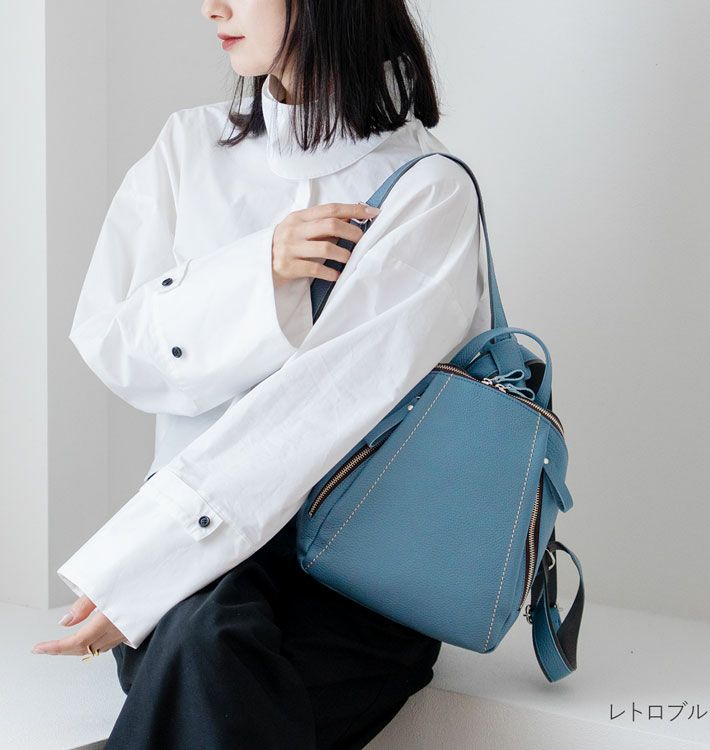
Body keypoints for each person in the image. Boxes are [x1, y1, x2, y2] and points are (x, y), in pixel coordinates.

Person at [31, 1, 491, 747]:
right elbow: (113, 343)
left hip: (360, 571)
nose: (211, 6)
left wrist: (143, 568)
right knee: (207, 642)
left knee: (209, 656)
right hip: (204, 567)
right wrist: (258, 271)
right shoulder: (188, 147)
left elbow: (325, 404)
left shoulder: (425, 189)